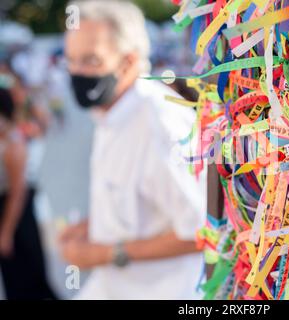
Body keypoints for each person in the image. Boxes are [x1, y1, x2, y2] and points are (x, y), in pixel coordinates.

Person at [60, 0, 206, 299]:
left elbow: (200, 231)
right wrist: (93, 227)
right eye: (71, 60)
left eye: (91, 60)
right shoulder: (111, 113)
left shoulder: (159, 125)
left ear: (128, 62)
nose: (76, 71)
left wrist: (105, 253)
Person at [0, 83, 57, 300]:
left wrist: (5, 232)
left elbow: (17, 193)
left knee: (26, 275)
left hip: (17, 216)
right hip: (10, 212)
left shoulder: (14, 142)